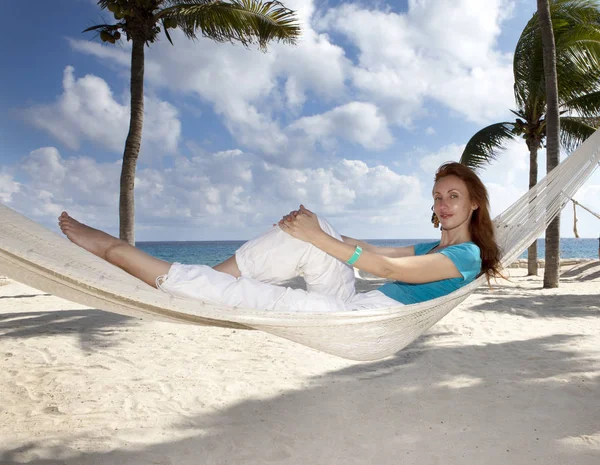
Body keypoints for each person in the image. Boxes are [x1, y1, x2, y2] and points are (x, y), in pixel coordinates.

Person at [58, 162, 502, 312]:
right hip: (355, 301)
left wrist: (320, 238)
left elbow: (385, 269)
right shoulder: (434, 246)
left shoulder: (465, 255)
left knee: (267, 298)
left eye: (454, 196)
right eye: (438, 196)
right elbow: (371, 249)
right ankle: (205, 279)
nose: (443, 204)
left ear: (474, 202)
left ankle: (116, 249)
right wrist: (315, 229)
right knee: (306, 231)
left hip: (360, 318)